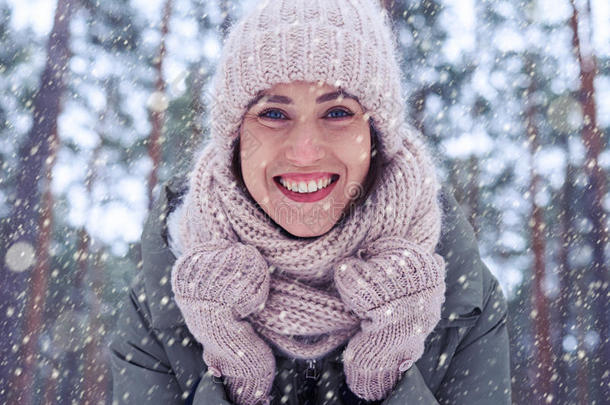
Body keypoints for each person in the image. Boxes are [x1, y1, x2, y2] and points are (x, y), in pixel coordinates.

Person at [108, 0, 511, 404]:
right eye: (273, 114)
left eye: (337, 112)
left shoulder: (462, 298)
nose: (304, 151)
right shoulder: (161, 300)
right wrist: (231, 380)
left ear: (377, 137)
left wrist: (392, 376)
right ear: (234, 140)